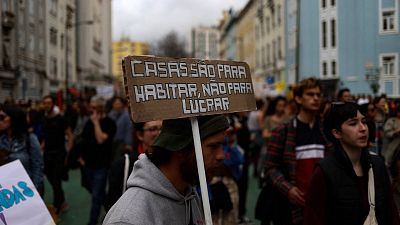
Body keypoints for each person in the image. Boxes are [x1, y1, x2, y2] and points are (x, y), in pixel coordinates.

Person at [103, 115, 229, 225]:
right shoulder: (129, 219)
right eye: (213, 146)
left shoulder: (189, 196)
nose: (221, 156)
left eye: (222, 146)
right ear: (181, 150)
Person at [303, 101, 400, 225]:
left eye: (364, 122)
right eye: (353, 123)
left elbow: (391, 212)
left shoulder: (377, 165)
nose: (363, 128)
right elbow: (313, 218)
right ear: (337, 133)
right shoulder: (324, 172)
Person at [264, 77, 333, 225]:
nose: (316, 98)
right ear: (298, 99)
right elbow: (270, 167)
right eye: (310, 94)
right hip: (292, 207)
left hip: (322, 204)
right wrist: (288, 189)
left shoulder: (326, 130)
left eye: (318, 94)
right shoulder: (283, 131)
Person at [104, 120, 162, 211]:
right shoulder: (123, 165)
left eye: (162, 129)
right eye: (153, 129)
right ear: (140, 135)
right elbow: (112, 205)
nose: (159, 133)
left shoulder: (171, 162)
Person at [79, 96, 116, 225]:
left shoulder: (109, 123)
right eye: (91, 107)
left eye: (94, 107)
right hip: (87, 164)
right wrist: (81, 157)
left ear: (101, 107)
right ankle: (113, 209)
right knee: (96, 192)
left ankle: (92, 223)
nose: (91, 109)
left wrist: (96, 123)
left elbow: (100, 139)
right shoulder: (88, 121)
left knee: (96, 197)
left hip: (101, 165)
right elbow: (84, 140)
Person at [0, 105, 44, 192]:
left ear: (13, 118)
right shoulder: (1, 139)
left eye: (2, 117)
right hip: (6, 190)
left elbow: (38, 166)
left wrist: (35, 190)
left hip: (25, 190)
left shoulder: (29, 139)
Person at [41, 95, 74, 214]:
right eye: (44, 103)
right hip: (47, 154)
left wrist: (68, 153)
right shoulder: (44, 119)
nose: (46, 105)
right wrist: (42, 146)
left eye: (48, 103)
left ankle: (57, 207)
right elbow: (46, 136)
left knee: (56, 181)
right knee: (51, 178)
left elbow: (70, 135)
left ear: (53, 104)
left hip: (59, 154)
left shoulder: (61, 118)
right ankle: (62, 201)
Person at [108, 97, 133, 161]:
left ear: (122, 104)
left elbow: (129, 130)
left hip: (121, 142)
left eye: (119, 103)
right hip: (111, 142)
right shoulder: (110, 115)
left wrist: (128, 143)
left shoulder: (126, 115)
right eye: (115, 103)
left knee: (117, 159)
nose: (117, 105)